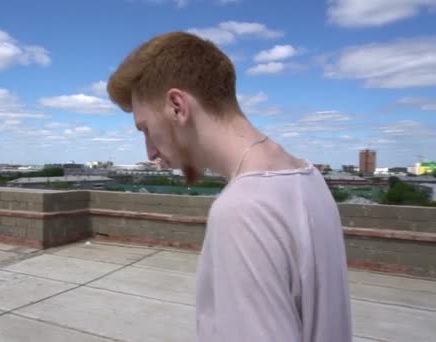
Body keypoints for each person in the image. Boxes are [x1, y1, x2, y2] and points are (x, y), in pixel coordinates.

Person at [106, 31, 352, 342]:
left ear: (177, 107)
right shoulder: (308, 176)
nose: (150, 152)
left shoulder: (241, 210)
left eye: (146, 129)